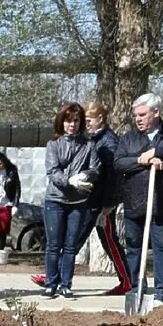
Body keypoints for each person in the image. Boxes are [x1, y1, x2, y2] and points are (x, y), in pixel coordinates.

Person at [30, 102, 130, 295]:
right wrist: (73, 180)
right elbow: (54, 170)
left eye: (85, 120)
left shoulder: (107, 142)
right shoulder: (84, 140)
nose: (81, 124)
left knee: (106, 240)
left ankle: (127, 281)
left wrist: (108, 204)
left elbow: (112, 176)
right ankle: (55, 277)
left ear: (100, 119)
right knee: (69, 242)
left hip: (98, 201)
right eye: (72, 121)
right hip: (82, 198)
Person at [113, 93, 163, 305]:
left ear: (156, 112)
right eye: (136, 115)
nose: (138, 119)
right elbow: (119, 163)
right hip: (134, 203)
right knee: (134, 248)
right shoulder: (129, 138)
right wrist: (143, 160)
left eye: (142, 114)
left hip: (161, 203)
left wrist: (158, 151)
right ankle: (137, 288)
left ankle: (162, 293)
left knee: (162, 249)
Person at [41, 102, 100, 299]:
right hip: (55, 200)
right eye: (68, 121)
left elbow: (95, 169)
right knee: (53, 245)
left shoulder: (89, 145)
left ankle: (66, 284)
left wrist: (85, 176)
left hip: (78, 202)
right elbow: (52, 171)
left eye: (76, 121)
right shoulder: (54, 145)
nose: (72, 125)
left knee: (70, 246)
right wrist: (69, 181)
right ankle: (50, 283)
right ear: (61, 122)